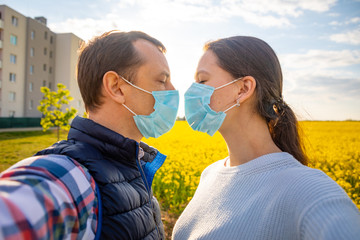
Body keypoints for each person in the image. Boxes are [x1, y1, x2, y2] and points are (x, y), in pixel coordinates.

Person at [172, 36, 360, 239]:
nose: (192, 92)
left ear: (243, 89)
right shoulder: (210, 175)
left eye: (202, 81)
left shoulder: (311, 192)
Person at [0, 30, 179, 239]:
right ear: (117, 87)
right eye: (162, 80)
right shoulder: (67, 177)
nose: (173, 89)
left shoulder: (134, 166)